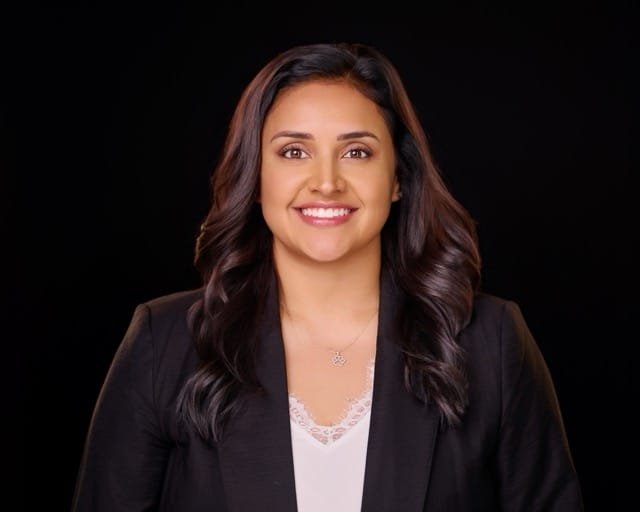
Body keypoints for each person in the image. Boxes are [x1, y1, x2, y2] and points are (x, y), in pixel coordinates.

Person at [71, 42, 584, 511]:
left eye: (356, 152)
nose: (326, 182)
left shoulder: (490, 342)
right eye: (294, 152)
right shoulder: (165, 342)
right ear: (256, 178)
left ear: (398, 179)